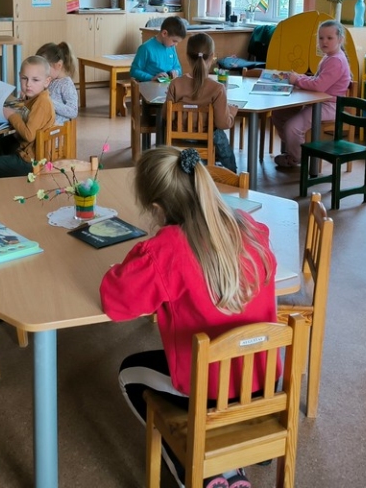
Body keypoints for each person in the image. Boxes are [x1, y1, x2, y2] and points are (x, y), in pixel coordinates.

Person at [100, 146, 277, 488]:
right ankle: (229, 464)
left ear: (157, 209)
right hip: (262, 380)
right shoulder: (251, 227)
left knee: (127, 373)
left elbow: (115, 301)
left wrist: (138, 255)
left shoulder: (165, 250)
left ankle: (195, 468)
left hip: (208, 387)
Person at [271, 19, 352, 169]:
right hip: (317, 101)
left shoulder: (336, 61)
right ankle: (294, 148)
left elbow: (319, 85)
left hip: (329, 106)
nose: (324, 42)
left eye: (329, 38)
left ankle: (296, 158)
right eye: (321, 38)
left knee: (292, 127)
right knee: (279, 114)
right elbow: (317, 79)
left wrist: (297, 80)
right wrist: (300, 77)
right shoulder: (329, 57)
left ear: (340, 39)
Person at [163, 33, 238, 172]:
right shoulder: (217, 88)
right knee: (220, 138)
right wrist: (231, 113)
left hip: (179, 137)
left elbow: (166, 116)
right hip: (208, 137)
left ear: (187, 56)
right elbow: (222, 123)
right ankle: (232, 175)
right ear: (212, 56)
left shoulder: (175, 84)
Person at [0, 56, 55, 180]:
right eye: (24, 78)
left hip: (33, 160)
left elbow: (29, 135)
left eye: (35, 80)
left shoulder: (42, 103)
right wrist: (25, 101)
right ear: (19, 76)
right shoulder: (37, 98)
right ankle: (5, 179)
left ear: (47, 81)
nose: (28, 84)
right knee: (5, 142)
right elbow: (29, 117)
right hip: (32, 150)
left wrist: (11, 115)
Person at [131, 16, 187, 82]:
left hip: (168, 85)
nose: (176, 44)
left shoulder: (171, 47)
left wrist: (176, 72)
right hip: (150, 85)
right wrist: (151, 78)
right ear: (164, 33)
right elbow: (134, 71)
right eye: (174, 41)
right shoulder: (145, 48)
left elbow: (178, 68)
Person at [36, 41, 78, 125]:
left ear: (58, 65)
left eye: (44, 69)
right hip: (44, 124)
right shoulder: (50, 79)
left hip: (57, 130)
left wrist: (50, 102)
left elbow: (73, 112)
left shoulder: (66, 84)